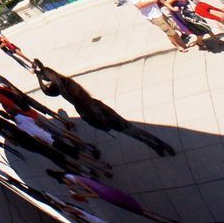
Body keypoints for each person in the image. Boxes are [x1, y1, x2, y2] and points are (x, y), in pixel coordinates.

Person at [32, 59, 176, 156]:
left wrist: (39, 76)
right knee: (129, 129)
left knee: (129, 130)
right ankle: (158, 146)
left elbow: (47, 91)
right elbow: (49, 88)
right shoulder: (65, 82)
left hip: (93, 111)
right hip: (96, 106)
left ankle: (160, 145)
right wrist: (41, 70)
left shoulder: (62, 88)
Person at [45, 170, 186, 223]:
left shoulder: (77, 182)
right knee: (139, 208)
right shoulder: (78, 177)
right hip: (111, 192)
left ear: (63, 178)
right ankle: (169, 222)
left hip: (110, 196)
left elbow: (94, 194)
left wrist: (80, 194)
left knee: (139, 210)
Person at [119, 0, 190, 52]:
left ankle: (181, 44)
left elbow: (162, 0)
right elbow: (139, 5)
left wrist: (171, 8)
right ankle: (178, 46)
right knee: (171, 32)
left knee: (172, 29)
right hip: (153, 16)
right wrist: (152, 1)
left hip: (158, 12)